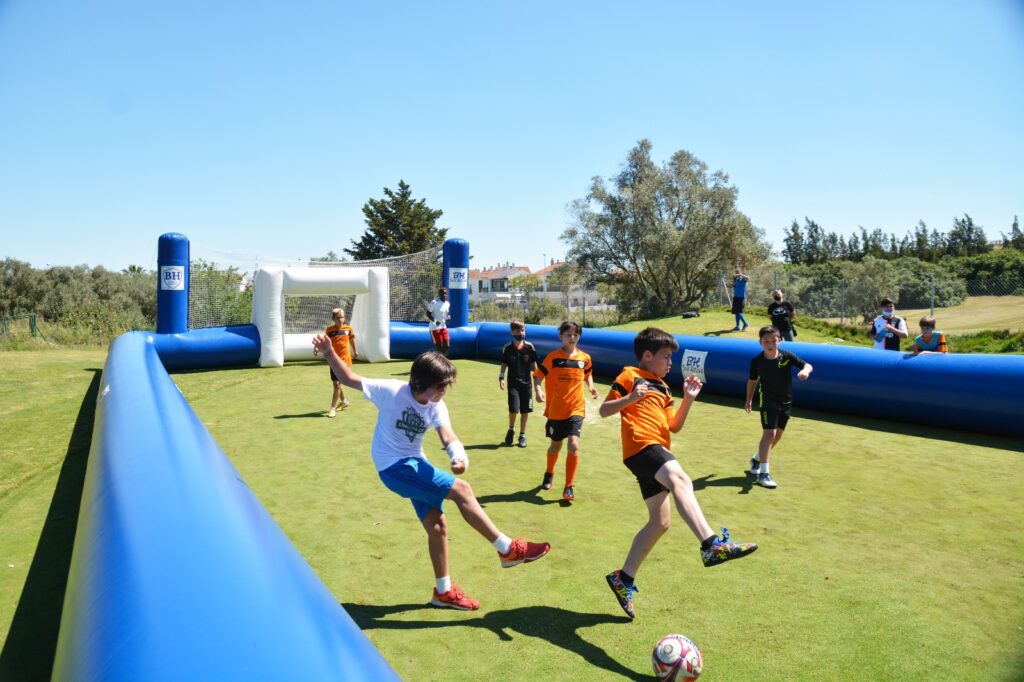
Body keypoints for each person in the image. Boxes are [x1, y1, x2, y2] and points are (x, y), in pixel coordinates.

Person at [311, 335, 551, 611]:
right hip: (394, 467)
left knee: (437, 526)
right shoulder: (391, 391)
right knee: (462, 490)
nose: (443, 392)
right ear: (419, 382)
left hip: (415, 464)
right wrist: (329, 352)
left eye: (446, 386)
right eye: (440, 386)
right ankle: (507, 549)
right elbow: (349, 378)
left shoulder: (437, 405)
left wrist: (458, 456)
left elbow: (447, 435)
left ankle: (443, 592)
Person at [601, 327, 758, 620]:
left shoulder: (663, 387)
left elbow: (673, 426)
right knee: (681, 479)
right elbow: (604, 410)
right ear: (648, 355)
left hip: (654, 448)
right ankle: (711, 545)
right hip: (641, 445)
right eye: (666, 356)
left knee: (660, 522)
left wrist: (688, 398)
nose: (670, 362)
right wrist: (631, 397)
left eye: (671, 357)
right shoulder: (630, 375)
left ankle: (624, 577)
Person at [533, 320, 599, 503]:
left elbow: (588, 374)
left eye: (575, 335)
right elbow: (538, 376)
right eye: (568, 334)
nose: (572, 337)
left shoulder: (585, 358)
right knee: (555, 446)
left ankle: (569, 486)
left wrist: (591, 386)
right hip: (556, 410)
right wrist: (538, 390)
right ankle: (549, 473)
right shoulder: (553, 358)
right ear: (561, 336)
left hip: (576, 409)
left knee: (574, 444)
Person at [744, 326, 813, 489]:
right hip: (768, 401)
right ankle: (764, 474)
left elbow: (807, 365)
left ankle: (756, 459)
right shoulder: (757, 361)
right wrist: (748, 400)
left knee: (777, 436)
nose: (770, 344)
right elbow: (752, 381)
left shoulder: (786, 356)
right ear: (760, 342)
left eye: (773, 341)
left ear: (779, 341)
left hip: (786, 402)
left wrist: (805, 371)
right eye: (766, 341)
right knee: (769, 434)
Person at [498, 320, 539, 448]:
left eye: (522, 330)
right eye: (517, 331)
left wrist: (538, 380)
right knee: (514, 409)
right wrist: (501, 377)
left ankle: (522, 435)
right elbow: (504, 364)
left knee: (525, 411)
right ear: (512, 332)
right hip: (513, 385)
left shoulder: (530, 347)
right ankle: (511, 429)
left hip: (527, 385)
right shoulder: (507, 348)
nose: (521, 333)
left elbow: (534, 365)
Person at [315, 308, 358, 418]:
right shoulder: (329, 330)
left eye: (342, 317)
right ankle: (343, 401)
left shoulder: (348, 329)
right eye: (338, 317)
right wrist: (316, 348)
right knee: (338, 383)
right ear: (333, 318)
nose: (340, 319)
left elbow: (352, 340)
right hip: (333, 360)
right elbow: (324, 341)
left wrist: (355, 351)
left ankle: (332, 408)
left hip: (345, 360)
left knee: (337, 384)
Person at [426, 287, 451, 356]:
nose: (444, 295)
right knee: (439, 348)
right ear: (439, 294)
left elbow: (446, 315)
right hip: (434, 328)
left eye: (445, 293)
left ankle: (443, 360)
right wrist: (435, 321)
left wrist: (448, 317)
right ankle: (438, 361)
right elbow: (428, 313)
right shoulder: (434, 302)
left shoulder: (447, 304)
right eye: (443, 293)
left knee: (447, 346)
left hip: (443, 327)